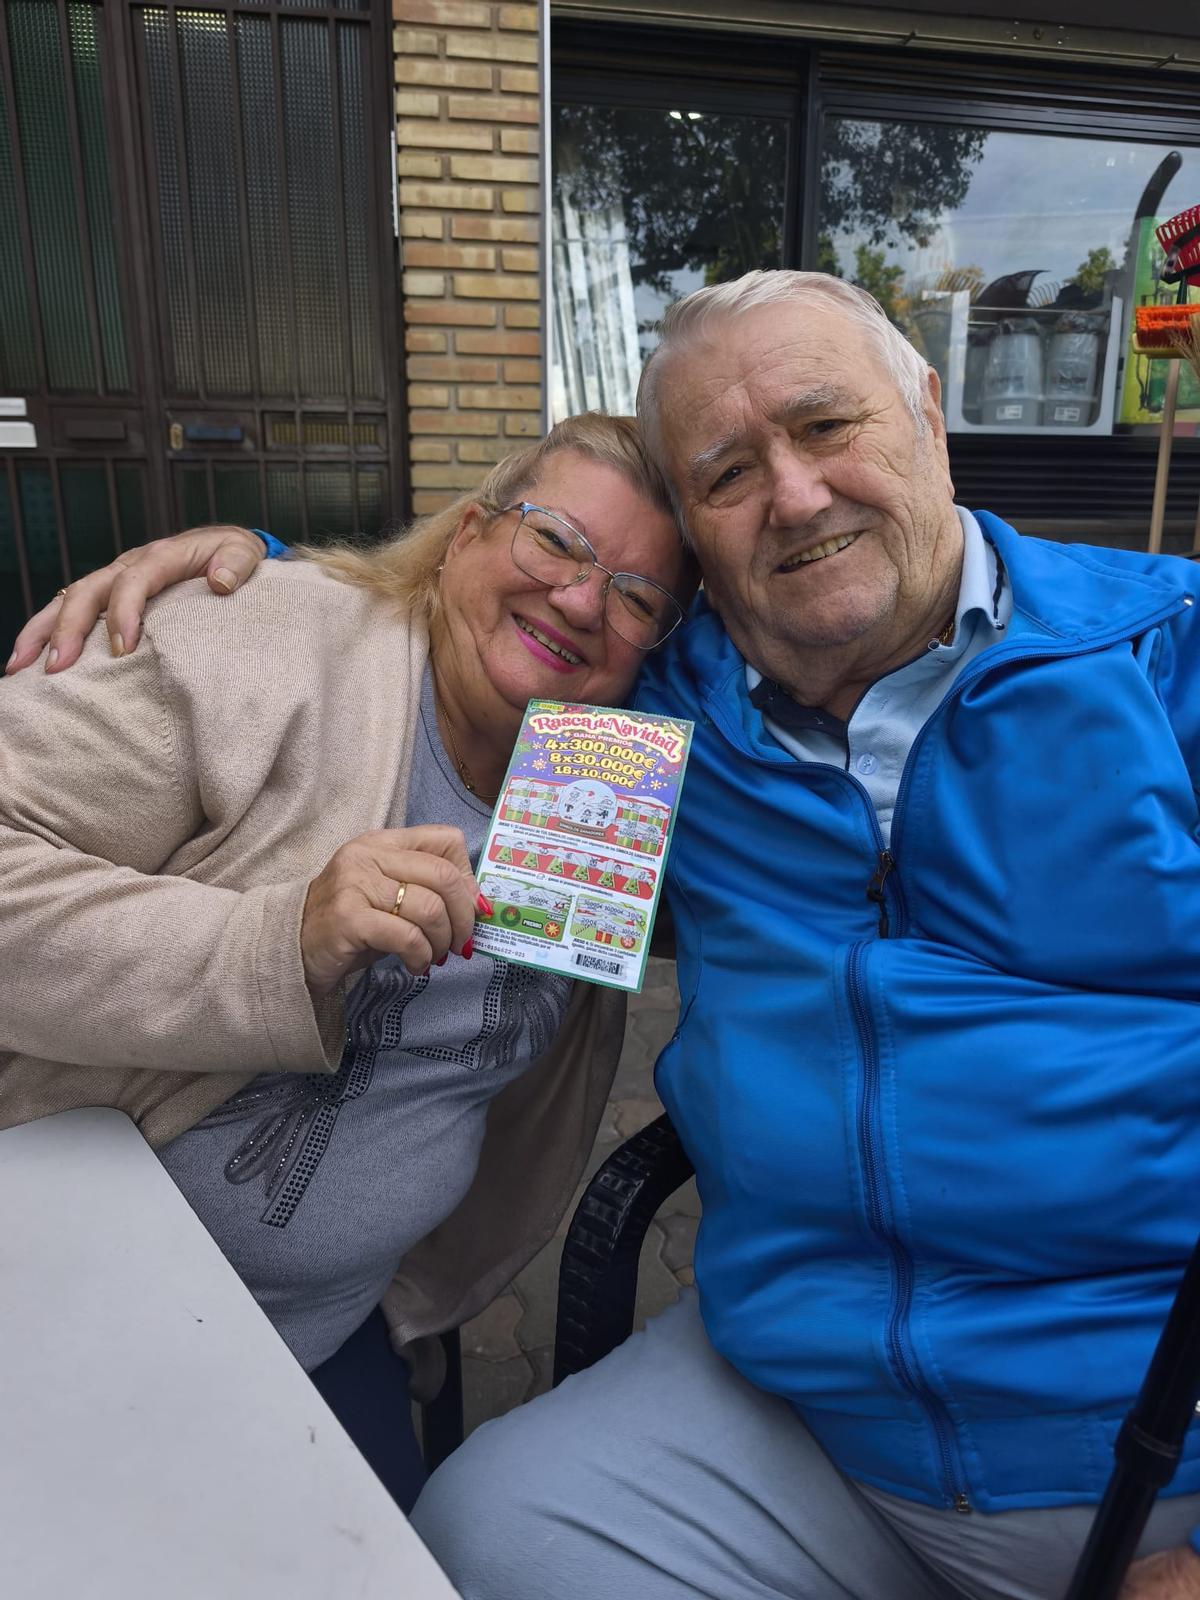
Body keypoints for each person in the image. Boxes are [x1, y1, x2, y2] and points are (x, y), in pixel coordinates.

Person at [14, 272, 1200, 1600]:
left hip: (1144, 1428)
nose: (795, 498)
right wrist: (256, 578)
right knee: (486, 1535)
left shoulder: (1169, 657)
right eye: (729, 472)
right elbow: (462, 627)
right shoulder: (647, 725)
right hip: (805, 1398)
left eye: (825, 427)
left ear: (929, 411)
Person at [0, 411, 692, 1514]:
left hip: (334, 1332)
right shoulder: (257, 646)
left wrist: (409, 1296)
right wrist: (276, 943)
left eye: (638, 594)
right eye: (554, 540)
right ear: (465, 534)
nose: (581, 599)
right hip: (65, 1310)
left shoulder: (602, 778)